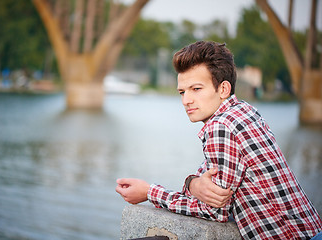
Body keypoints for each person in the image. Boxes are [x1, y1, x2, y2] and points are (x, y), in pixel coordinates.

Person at [115, 41, 322, 239]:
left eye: (196, 89)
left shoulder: (220, 127)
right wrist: (193, 184)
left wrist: (149, 192)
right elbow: (205, 173)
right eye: (182, 92)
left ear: (223, 89)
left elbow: (214, 212)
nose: (186, 100)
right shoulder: (244, 111)